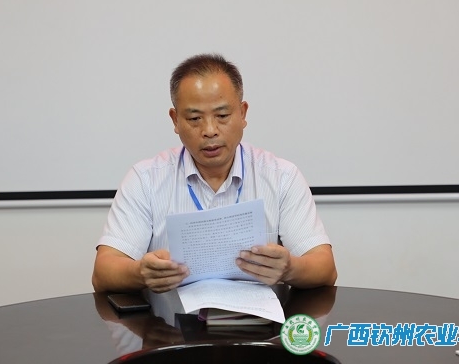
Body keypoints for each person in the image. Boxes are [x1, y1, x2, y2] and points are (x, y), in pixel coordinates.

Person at [92, 53, 337, 294]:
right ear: (175, 120)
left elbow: (325, 268)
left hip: (259, 319)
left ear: (243, 113)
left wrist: (290, 268)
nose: (210, 130)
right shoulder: (145, 179)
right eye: (194, 118)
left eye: (222, 116)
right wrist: (140, 273)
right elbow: (103, 272)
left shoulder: (281, 177)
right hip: (172, 318)